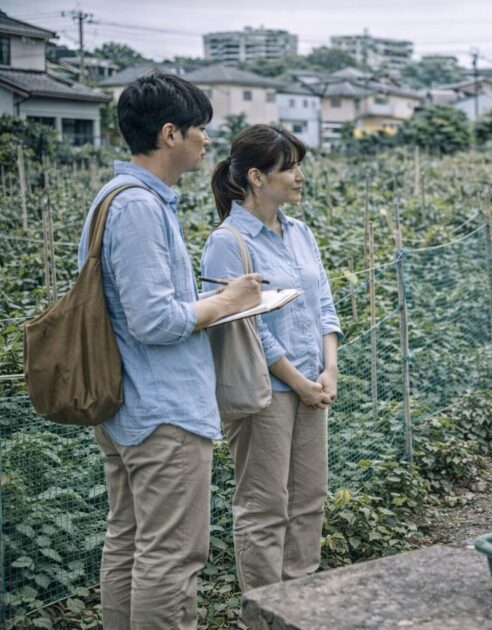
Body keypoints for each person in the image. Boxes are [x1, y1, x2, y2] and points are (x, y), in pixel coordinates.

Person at [77, 73, 263, 629]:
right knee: (170, 557)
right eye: (199, 129)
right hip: (161, 413)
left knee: (130, 543)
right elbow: (155, 321)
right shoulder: (137, 207)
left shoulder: (116, 199)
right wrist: (227, 300)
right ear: (169, 134)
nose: (207, 140)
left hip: (127, 406)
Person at [202, 124, 342, 592]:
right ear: (257, 177)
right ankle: (264, 609)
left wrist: (329, 367)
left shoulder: (300, 232)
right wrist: (298, 381)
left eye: (299, 165)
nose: (300, 176)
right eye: (290, 167)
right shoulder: (229, 242)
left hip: (312, 383)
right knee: (264, 507)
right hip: (267, 393)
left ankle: (300, 598)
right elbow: (245, 326)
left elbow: (323, 302)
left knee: (309, 498)